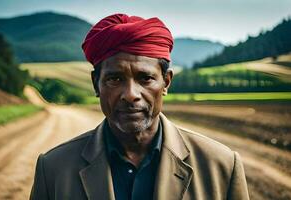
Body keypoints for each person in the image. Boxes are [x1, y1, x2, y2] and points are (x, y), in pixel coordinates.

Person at [30, 13, 250, 200]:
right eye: (115, 79)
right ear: (96, 84)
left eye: (145, 78)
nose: (131, 95)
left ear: (166, 82)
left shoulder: (222, 166)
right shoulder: (53, 169)